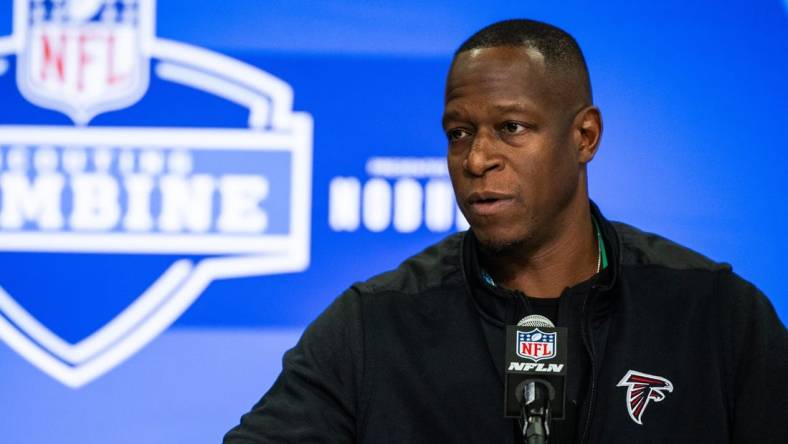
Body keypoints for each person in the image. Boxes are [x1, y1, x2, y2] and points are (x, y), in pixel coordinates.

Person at [223, 19, 788, 443]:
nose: (476, 159)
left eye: (511, 127)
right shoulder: (375, 324)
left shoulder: (714, 313)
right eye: (459, 133)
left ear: (585, 136)